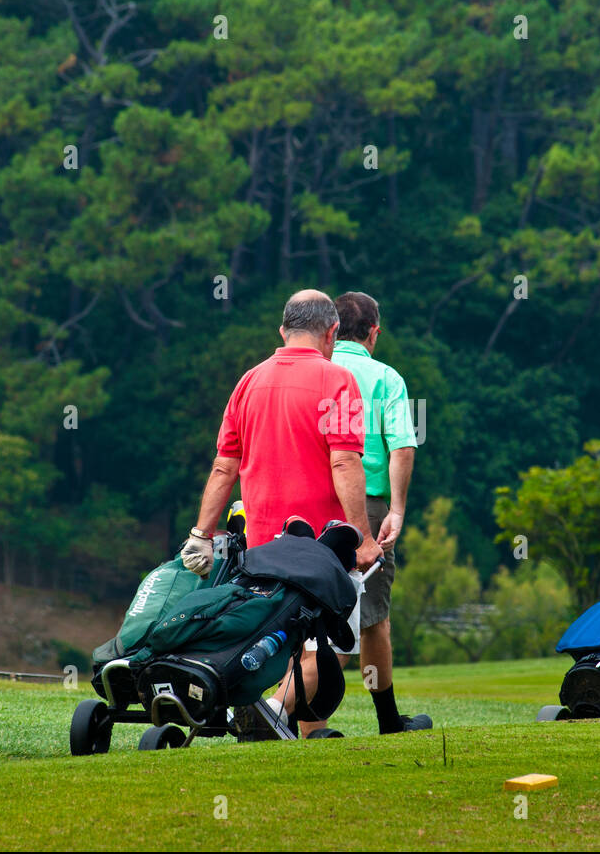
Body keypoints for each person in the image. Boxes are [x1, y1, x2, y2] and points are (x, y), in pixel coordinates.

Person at [180, 289, 382, 728]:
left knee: (275, 638)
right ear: (332, 333)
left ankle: (298, 727)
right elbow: (345, 460)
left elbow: (223, 466)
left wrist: (200, 534)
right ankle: (264, 713)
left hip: (260, 547)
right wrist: (363, 537)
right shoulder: (338, 380)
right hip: (319, 548)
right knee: (322, 649)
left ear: (282, 331)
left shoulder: (248, 381)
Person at [303, 290, 429, 735]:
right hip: (367, 508)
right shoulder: (386, 377)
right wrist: (396, 509)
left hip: (312, 505)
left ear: (333, 328)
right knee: (367, 617)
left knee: (312, 614)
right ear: (374, 332)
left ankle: (321, 723)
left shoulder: (315, 371)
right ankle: (308, 722)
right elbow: (403, 447)